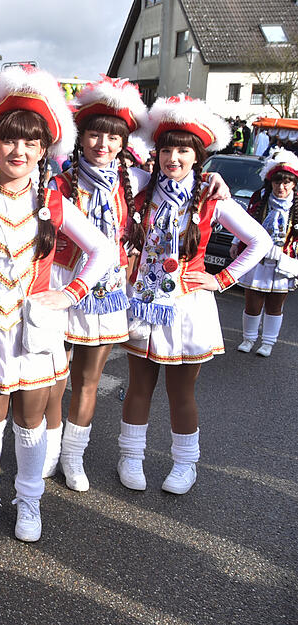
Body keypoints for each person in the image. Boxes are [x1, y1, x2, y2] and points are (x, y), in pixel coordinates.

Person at [0, 67, 111, 542]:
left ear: (43, 149)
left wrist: (70, 293)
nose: (17, 152)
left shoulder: (55, 204)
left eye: (29, 143)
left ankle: (29, 501)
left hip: (34, 330)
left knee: (30, 421)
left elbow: (104, 250)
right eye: (7, 141)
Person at [119, 95, 271, 495]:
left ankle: (185, 464)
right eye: (166, 148)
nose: (173, 157)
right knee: (138, 386)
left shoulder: (210, 197)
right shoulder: (141, 186)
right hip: (144, 304)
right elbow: (105, 174)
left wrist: (221, 280)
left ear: (197, 154)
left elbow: (260, 240)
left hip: (188, 306)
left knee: (181, 392)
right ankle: (130, 456)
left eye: (183, 149)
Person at [41, 78, 148, 490]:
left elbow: (183, 184)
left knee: (89, 379)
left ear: (123, 142)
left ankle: (73, 456)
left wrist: (216, 182)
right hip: (64, 283)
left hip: (108, 291)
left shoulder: (135, 182)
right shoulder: (59, 183)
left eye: (111, 136)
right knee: (54, 374)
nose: (102, 143)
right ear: (80, 137)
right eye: (93, 134)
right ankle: (49, 450)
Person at [233, 148, 298, 356]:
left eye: (286, 182)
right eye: (277, 182)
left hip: (284, 261)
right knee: (253, 301)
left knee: (275, 303)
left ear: (294, 184)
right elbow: (246, 222)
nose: (281, 187)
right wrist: (236, 241)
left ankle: (268, 342)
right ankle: (248, 339)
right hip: (259, 258)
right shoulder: (259, 198)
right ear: (270, 183)